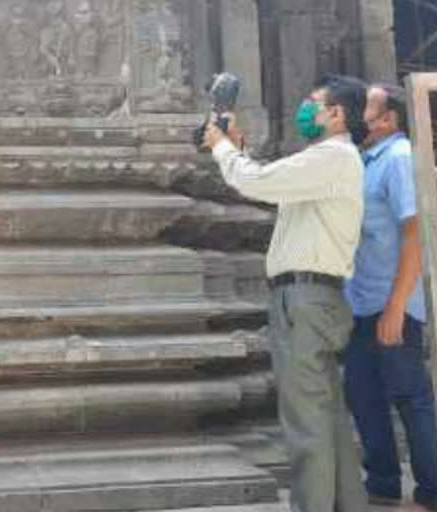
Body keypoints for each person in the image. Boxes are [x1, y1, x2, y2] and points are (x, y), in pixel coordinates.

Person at [201, 75, 368, 512]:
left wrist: (222, 147)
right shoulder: (328, 160)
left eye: (314, 103)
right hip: (315, 299)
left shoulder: (332, 156)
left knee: (306, 424)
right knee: (326, 419)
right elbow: (272, 184)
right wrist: (238, 150)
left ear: (337, 114)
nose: (305, 110)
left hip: (304, 301)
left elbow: (255, 183)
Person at [344, 83, 437, 511]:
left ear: (388, 119)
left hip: (391, 302)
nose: (358, 114)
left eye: (366, 108)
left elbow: (414, 232)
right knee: (363, 395)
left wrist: (398, 305)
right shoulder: (366, 162)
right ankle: (382, 482)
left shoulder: (398, 159)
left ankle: (431, 491)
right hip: (363, 302)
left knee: (408, 396)